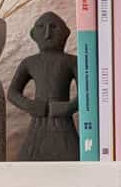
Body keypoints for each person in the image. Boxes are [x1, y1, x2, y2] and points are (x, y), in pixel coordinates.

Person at [8, 11, 79, 161]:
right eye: (41, 27)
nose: (47, 34)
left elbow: (87, 93)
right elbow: (13, 93)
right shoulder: (29, 62)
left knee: (73, 159)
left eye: (54, 27)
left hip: (62, 120)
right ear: (34, 34)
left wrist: (68, 107)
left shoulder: (72, 61)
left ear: (66, 34)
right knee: (29, 161)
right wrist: (31, 106)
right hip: (39, 120)